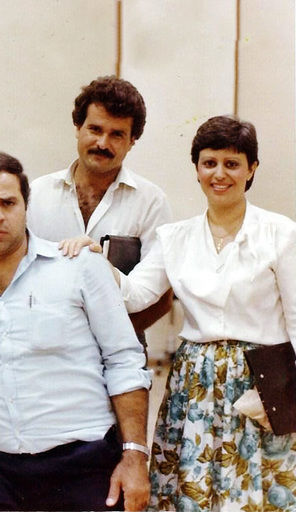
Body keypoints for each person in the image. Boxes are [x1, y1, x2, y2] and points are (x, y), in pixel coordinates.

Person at [0, 152, 152, 511]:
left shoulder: (79, 269)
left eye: (7, 203)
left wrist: (135, 456)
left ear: (25, 207)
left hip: (85, 466)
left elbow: (124, 361)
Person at [116, 116, 296, 510]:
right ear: (196, 168)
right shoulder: (175, 237)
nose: (219, 174)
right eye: (209, 163)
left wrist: (289, 393)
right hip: (194, 385)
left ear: (252, 169)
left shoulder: (281, 233)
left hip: (262, 383)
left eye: (232, 164)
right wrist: (94, 260)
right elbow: (135, 294)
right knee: (192, 493)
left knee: (257, 494)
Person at [27, 76, 173, 339]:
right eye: (95, 129)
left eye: (117, 134)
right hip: (41, 345)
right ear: (77, 127)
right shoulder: (36, 194)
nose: (103, 144)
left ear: (132, 140)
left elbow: (151, 294)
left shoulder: (152, 202)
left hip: (121, 350)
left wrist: (103, 271)